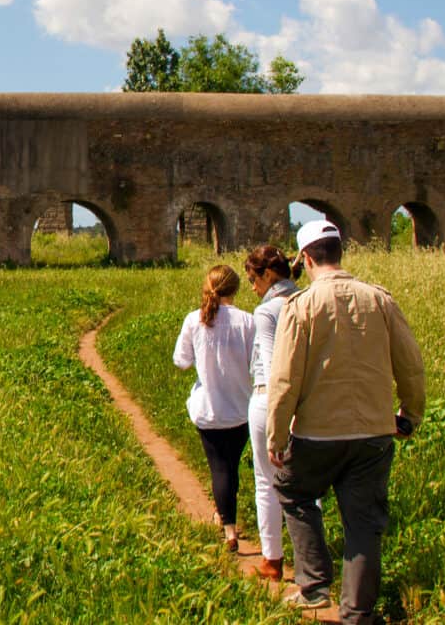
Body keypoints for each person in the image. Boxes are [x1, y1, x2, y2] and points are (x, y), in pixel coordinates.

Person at [266, 220, 426, 623]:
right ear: (340, 253)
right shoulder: (380, 300)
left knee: (293, 491)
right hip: (374, 432)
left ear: (304, 257)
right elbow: (410, 365)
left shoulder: (300, 306)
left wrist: (277, 435)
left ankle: (315, 585)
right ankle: (358, 613)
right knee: (364, 522)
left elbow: (285, 379)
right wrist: (409, 414)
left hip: (318, 432)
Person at [174, 265, 256, 551]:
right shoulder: (248, 321)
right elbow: (256, 363)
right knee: (230, 467)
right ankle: (225, 515)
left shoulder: (194, 320)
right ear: (235, 289)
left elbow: (181, 361)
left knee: (219, 468)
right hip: (242, 408)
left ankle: (229, 529)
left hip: (208, 408)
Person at [243, 245, 302, 582]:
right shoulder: (306, 300)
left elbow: (273, 363)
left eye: (254, 279)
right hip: (305, 402)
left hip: (270, 400)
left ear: (268, 275)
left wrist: (280, 420)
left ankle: (272, 561)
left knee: (267, 482)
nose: (252, 287)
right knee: (307, 483)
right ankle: (312, 561)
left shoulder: (266, 312)